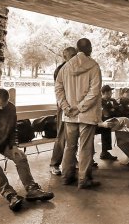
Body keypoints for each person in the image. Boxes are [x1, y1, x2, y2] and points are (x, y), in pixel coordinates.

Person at [0, 89, 54, 212]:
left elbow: (13, 130)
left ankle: (32, 189)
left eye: (3, 106)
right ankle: (10, 195)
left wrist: (14, 146)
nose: (0, 108)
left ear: (7, 102)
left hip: (3, 142)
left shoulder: (10, 108)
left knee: (20, 157)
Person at [55, 38, 102, 189]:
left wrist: (66, 106)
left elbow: (58, 88)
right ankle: (84, 180)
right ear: (88, 49)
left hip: (69, 115)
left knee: (70, 146)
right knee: (85, 148)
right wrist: (80, 107)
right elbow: (94, 92)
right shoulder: (94, 66)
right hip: (86, 115)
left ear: (77, 48)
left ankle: (66, 177)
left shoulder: (65, 67)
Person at [50, 47, 77, 176]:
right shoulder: (61, 70)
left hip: (75, 107)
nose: (74, 57)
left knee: (74, 134)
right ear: (65, 56)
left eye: (75, 55)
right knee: (62, 135)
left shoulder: (77, 68)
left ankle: (73, 159)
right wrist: (65, 106)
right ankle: (54, 164)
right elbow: (60, 90)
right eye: (71, 55)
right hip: (64, 106)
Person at [98, 85, 121, 160]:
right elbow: (105, 114)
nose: (111, 93)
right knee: (106, 128)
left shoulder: (113, 100)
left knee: (122, 124)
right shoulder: (100, 101)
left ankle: (105, 152)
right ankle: (104, 152)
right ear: (105, 93)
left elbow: (118, 110)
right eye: (110, 92)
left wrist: (113, 109)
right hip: (99, 123)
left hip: (111, 120)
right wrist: (112, 109)